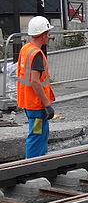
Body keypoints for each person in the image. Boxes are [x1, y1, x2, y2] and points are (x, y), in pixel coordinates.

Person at [17, 16, 56, 158]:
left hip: (28, 102)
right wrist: (47, 104)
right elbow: (35, 81)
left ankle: (40, 158)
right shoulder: (36, 54)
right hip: (36, 104)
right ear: (43, 35)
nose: (49, 36)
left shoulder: (26, 49)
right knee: (37, 133)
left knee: (40, 133)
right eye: (48, 33)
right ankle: (32, 164)